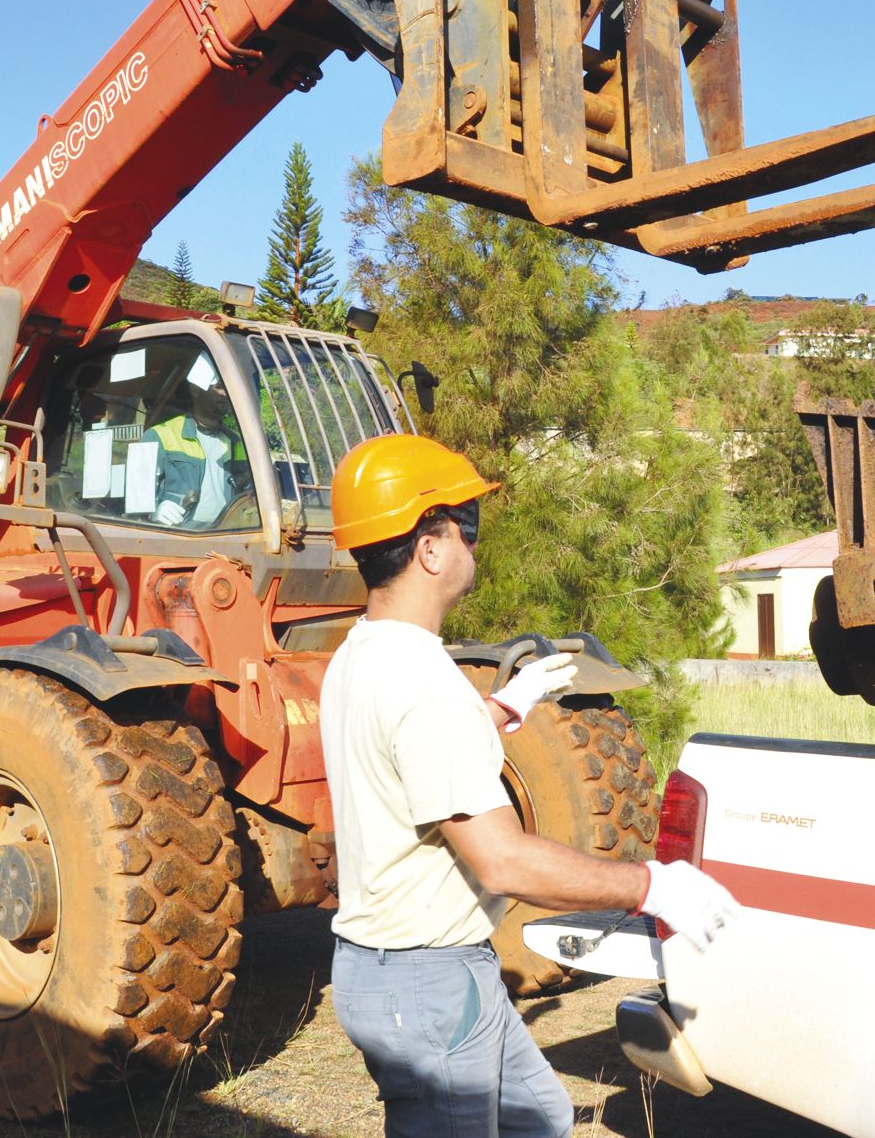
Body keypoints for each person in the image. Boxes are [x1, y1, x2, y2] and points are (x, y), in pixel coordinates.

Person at [317, 433, 739, 1138]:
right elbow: (503, 860)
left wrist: (501, 706)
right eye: (468, 526)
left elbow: (408, 754)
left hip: (413, 968)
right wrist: (651, 886)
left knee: (539, 1118)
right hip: (425, 981)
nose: (473, 544)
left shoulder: (360, 655)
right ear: (429, 545)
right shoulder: (423, 682)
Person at [143, 380, 248, 527]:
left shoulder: (237, 442)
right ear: (195, 389)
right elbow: (135, 501)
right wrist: (152, 512)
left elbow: (249, 494)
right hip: (180, 538)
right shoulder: (158, 436)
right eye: (218, 387)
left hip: (224, 535)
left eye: (228, 387)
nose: (226, 393)